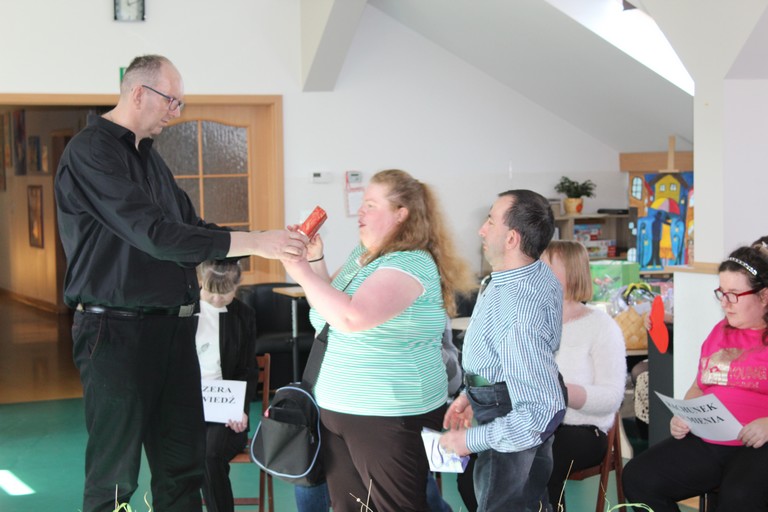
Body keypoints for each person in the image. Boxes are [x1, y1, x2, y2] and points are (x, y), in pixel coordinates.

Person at [54, 54, 307, 512]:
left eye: (180, 103)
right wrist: (258, 242)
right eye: (171, 101)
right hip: (116, 333)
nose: (176, 112)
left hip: (174, 330)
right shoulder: (92, 152)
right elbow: (155, 235)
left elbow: (192, 229)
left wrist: (269, 242)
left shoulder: (151, 160)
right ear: (138, 93)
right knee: (115, 479)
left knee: (183, 469)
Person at [281, 169, 475, 512]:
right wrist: (314, 261)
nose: (361, 211)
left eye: (371, 205)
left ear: (401, 214)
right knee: (349, 506)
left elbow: (353, 317)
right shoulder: (364, 256)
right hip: (339, 407)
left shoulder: (411, 262)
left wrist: (300, 272)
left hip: (388, 413)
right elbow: (329, 310)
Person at [440, 189, 567, 512]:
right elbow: (502, 356)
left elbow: (540, 408)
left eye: (491, 222)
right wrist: (472, 392)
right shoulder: (530, 273)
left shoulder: (518, 311)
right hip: (501, 396)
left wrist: (469, 440)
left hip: (511, 411)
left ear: (512, 239)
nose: (481, 230)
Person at [622, 241, 768, 511]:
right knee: (638, 478)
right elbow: (699, 387)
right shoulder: (719, 332)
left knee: (738, 497)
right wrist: (686, 414)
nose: (725, 303)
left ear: (764, 296)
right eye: (721, 293)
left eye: (734, 294)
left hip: (757, 445)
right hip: (710, 440)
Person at [540, 241, 626, 510]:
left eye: (546, 266)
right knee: (477, 466)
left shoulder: (601, 326)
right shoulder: (531, 320)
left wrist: (564, 392)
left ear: (572, 273)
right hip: (535, 422)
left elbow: (612, 397)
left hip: (583, 429)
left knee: (540, 461)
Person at [196, 260, 257, 512]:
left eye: (225, 293)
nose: (217, 299)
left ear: (237, 286)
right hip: (186, 408)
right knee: (178, 456)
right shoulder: (182, 310)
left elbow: (247, 369)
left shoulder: (243, 315)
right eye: (210, 291)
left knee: (209, 456)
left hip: (225, 411)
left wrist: (240, 409)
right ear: (200, 281)